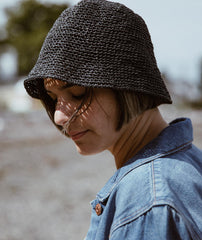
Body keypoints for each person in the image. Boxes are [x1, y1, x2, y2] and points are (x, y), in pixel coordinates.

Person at [24, 0, 202, 239]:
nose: (59, 116)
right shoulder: (188, 161)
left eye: (77, 94)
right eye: (53, 98)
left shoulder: (148, 200)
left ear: (129, 87)